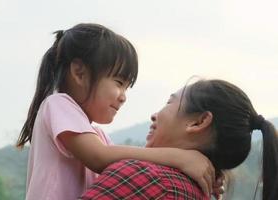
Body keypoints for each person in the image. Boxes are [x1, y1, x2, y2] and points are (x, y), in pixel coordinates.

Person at [16, 23, 217, 200]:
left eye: (127, 87)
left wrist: (203, 172)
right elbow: (100, 157)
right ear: (80, 72)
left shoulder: (99, 136)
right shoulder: (58, 104)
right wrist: (182, 159)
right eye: (119, 83)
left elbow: (133, 164)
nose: (123, 96)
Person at [80, 79, 278, 200]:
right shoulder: (200, 192)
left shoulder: (147, 178)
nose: (154, 115)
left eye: (169, 102)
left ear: (198, 122)